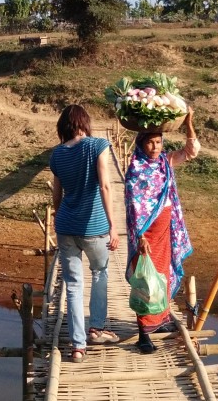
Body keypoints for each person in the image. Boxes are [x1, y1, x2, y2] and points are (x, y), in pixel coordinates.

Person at [124, 109, 200, 354]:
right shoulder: (136, 170)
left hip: (166, 226)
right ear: (141, 144)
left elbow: (191, 151)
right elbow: (134, 208)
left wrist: (189, 122)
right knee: (146, 279)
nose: (155, 147)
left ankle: (162, 319)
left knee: (163, 273)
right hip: (146, 233)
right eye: (150, 142)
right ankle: (143, 333)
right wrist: (141, 238)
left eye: (158, 142)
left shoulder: (166, 162)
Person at [50, 104, 121, 363]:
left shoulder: (57, 154)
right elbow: (104, 185)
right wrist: (113, 225)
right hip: (94, 227)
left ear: (63, 127)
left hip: (66, 227)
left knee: (73, 285)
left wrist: (60, 217)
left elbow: (56, 194)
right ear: (85, 123)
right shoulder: (97, 145)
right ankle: (97, 329)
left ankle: (78, 346)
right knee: (100, 273)